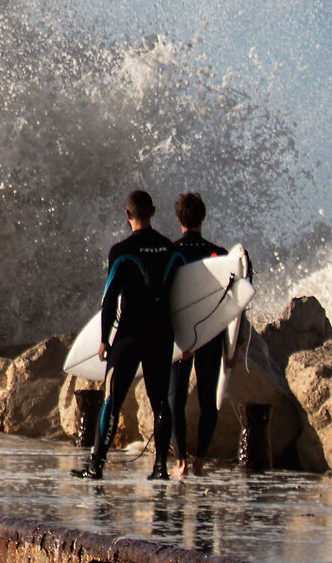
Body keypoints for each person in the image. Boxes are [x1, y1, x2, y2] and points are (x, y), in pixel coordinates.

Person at [70, 190, 185, 482]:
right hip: (161, 334)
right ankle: (160, 467)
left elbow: (109, 300)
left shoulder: (121, 251)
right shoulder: (172, 250)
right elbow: (183, 298)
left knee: (112, 401)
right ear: (154, 212)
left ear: (127, 214)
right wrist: (187, 340)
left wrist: (104, 339)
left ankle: (96, 466)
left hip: (129, 335)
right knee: (160, 402)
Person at [166, 192, 230, 474]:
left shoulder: (171, 253)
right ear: (203, 218)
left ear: (178, 218)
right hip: (211, 334)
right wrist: (234, 346)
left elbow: (164, 298)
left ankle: (180, 460)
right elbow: (232, 305)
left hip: (180, 336)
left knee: (174, 399)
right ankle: (200, 460)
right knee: (208, 399)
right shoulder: (220, 255)